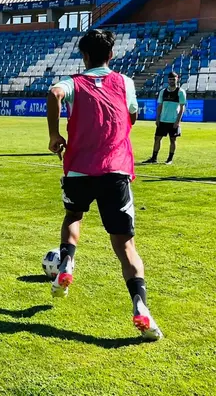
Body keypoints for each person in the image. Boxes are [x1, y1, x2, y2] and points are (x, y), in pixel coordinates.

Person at [46, 29, 162, 341]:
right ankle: (141, 308)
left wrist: (56, 135)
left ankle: (67, 261)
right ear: (110, 55)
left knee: (73, 218)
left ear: (83, 57)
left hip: (79, 170)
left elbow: (54, 93)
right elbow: (133, 116)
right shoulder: (124, 82)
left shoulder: (74, 82)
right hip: (116, 170)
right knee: (125, 246)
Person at [142, 72, 186, 165]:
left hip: (173, 120)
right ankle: (154, 158)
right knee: (157, 138)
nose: (172, 81)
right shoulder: (163, 91)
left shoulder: (180, 92)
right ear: (167, 80)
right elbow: (160, 106)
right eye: (170, 79)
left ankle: (169, 159)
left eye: (173, 79)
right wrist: (157, 118)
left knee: (173, 140)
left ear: (177, 79)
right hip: (163, 120)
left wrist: (178, 121)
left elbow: (182, 108)